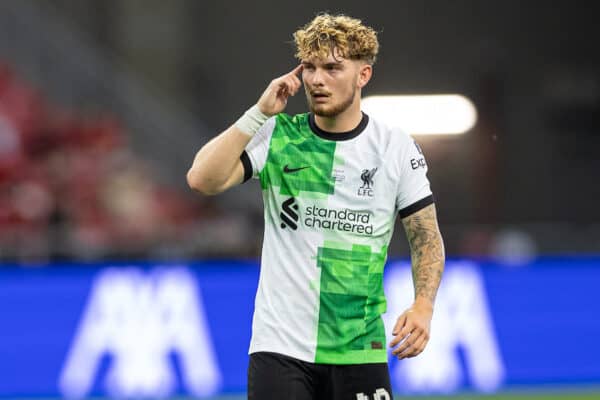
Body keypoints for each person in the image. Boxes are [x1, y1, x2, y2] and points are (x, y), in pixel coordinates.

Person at [187, 13, 445, 400]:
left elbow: (426, 236)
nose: (316, 80)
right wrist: (258, 114)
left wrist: (423, 305)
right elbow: (201, 179)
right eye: (309, 67)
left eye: (332, 68)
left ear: (363, 76)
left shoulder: (394, 147)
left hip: (360, 347)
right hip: (281, 348)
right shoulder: (279, 136)